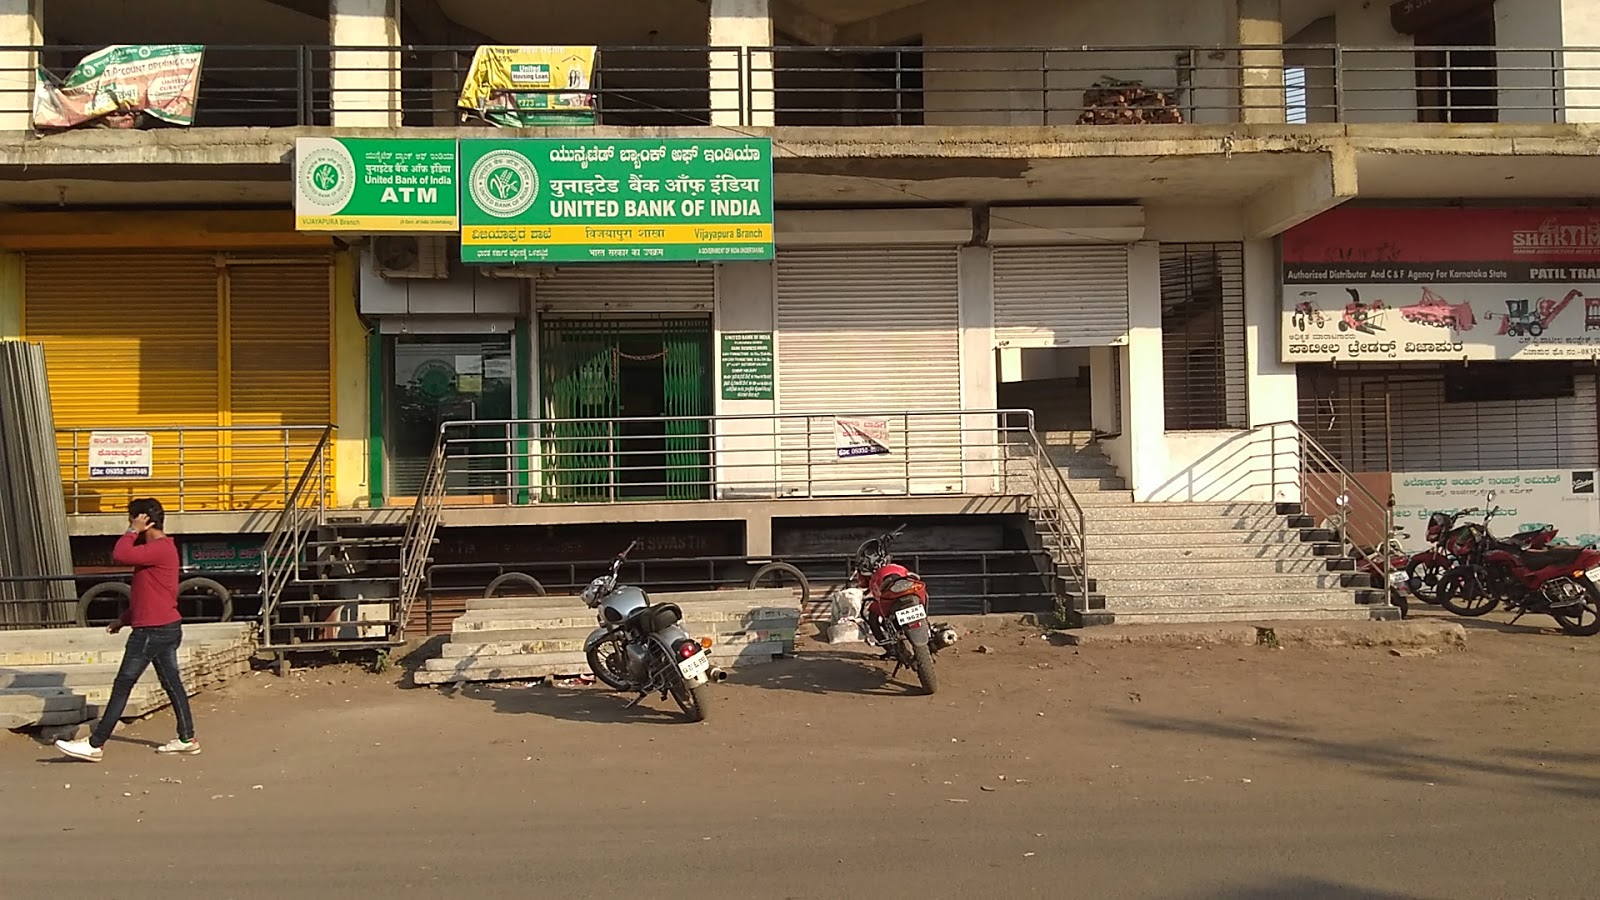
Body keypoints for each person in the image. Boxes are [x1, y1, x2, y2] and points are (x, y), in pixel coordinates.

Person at [56, 498, 200, 761]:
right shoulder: (161, 550)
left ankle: (95, 744)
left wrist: (132, 530)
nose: (130, 524)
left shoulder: (158, 548)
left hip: (150, 631)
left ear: (146, 521)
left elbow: (120, 555)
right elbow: (149, 594)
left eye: (133, 519)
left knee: (123, 684)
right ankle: (186, 738)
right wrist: (123, 619)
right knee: (172, 683)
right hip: (164, 626)